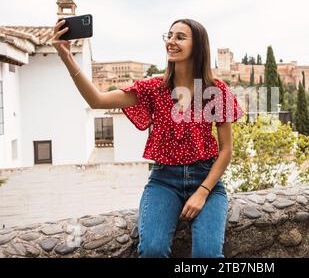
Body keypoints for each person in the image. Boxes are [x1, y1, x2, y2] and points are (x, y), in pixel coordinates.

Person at [52, 18, 244, 258]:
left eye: (180, 37)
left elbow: (226, 151)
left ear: (198, 47)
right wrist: (66, 57)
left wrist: (203, 191)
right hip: (164, 181)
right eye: (170, 36)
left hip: (207, 180)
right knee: (152, 250)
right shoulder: (153, 89)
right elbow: (97, 100)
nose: (171, 42)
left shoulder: (215, 90)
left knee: (207, 254)